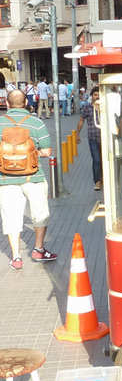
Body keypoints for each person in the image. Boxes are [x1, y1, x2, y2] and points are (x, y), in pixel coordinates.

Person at [0, 90, 57, 270]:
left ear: (7, 104)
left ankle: (16, 257)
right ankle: (38, 249)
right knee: (40, 214)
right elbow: (47, 152)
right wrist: (32, 154)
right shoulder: (36, 123)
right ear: (26, 102)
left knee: (11, 217)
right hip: (34, 177)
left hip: (5, 179)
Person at [77, 87, 104, 191]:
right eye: (95, 94)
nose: (97, 96)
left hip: (104, 138)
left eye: (99, 94)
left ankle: (104, 178)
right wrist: (77, 134)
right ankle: (97, 181)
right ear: (92, 96)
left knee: (104, 159)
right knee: (96, 160)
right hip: (92, 138)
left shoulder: (104, 107)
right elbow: (81, 120)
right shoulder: (87, 107)